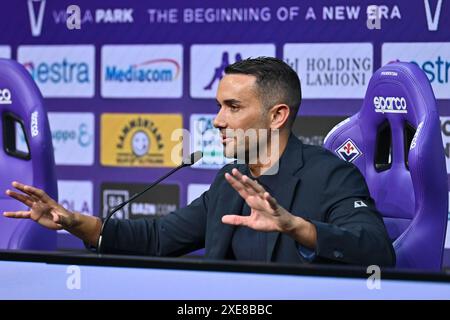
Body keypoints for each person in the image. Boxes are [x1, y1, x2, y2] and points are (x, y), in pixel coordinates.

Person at [3, 57, 395, 266]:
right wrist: (76, 223)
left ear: (277, 116)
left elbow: (377, 251)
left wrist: (297, 227)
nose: (217, 119)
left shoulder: (330, 175)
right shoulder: (230, 179)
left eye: (233, 106)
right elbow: (158, 239)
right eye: (218, 106)